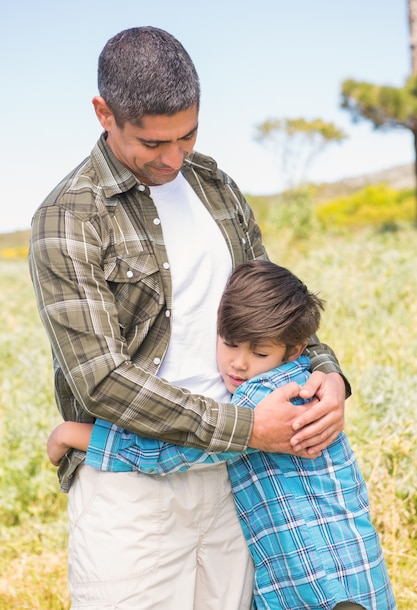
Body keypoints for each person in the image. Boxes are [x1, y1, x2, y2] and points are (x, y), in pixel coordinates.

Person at [30, 26, 349, 609]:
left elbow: (268, 307)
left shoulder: (217, 187)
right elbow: (99, 379)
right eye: (153, 143)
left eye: (188, 133)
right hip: (131, 492)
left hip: (242, 481)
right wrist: (249, 429)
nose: (174, 157)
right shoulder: (69, 216)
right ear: (105, 113)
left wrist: (329, 375)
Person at [48, 260, 396, 610]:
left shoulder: (263, 398)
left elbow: (169, 451)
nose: (239, 364)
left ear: (295, 350)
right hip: (354, 573)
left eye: (259, 353)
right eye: (230, 344)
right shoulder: (309, 383)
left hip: (321, 588)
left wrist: (72, 434)